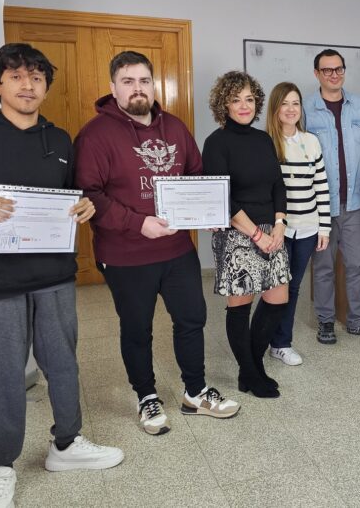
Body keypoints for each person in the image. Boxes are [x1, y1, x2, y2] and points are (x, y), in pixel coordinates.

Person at [0, 43, 123, 508]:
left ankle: (67, 443)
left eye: (38, 78)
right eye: (18, 76)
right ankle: (0, 465)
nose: (29, 85)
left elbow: (70, 196)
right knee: (3, 374)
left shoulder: (59, 139)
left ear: (46, 85)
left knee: (63, 361)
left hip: (54, 274)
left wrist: (83, 204)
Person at [75, 51, 239, 433]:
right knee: (137, 328)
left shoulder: (176, 128)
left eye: (144, 80)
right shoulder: (95, 135)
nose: (137, 88)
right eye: (128, 81)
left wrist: (207, 213)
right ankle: (147, 396)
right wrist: (138, 223)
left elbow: (196, 176)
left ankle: (195, 392)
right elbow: (89, 195)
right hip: (125, 254)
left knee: (191, 319)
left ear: (154, 84)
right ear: (113, 87)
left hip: (177, 249)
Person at [202, 71, 290, 398]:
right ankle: (252, 372)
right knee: (241, 304)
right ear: (224, 104)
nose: (243, 105)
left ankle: (249, 365)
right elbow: (223, 196)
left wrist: (280, 224)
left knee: (277, 299)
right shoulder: (216, 142)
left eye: (249, 99)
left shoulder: (264, 139)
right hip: (239, 232)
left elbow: (277, 184)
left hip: (272, 230)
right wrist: (256, 234)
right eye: (236, 99)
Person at [304, 49, 360, 344]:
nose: (334, 75)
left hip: (355, 202)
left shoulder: (359, 105)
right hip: (320, 205)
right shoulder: (306, 108)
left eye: (339, 69)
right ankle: (326, 321)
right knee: (323, 267)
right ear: (317, 74)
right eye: (327, 70)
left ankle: (357, 320)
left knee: (356, 265)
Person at [264, 82, 331, 366]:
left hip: (307, 227)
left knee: (292, 288)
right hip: (277, 229)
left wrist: (324, 227)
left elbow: (321, 186)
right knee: (274, 287)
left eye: (296, 103)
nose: (291, 109)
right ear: (275, 108)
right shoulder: (265, 141)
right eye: (285, 103)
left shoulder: (311, 141)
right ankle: (264, 337)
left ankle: (281, 343)